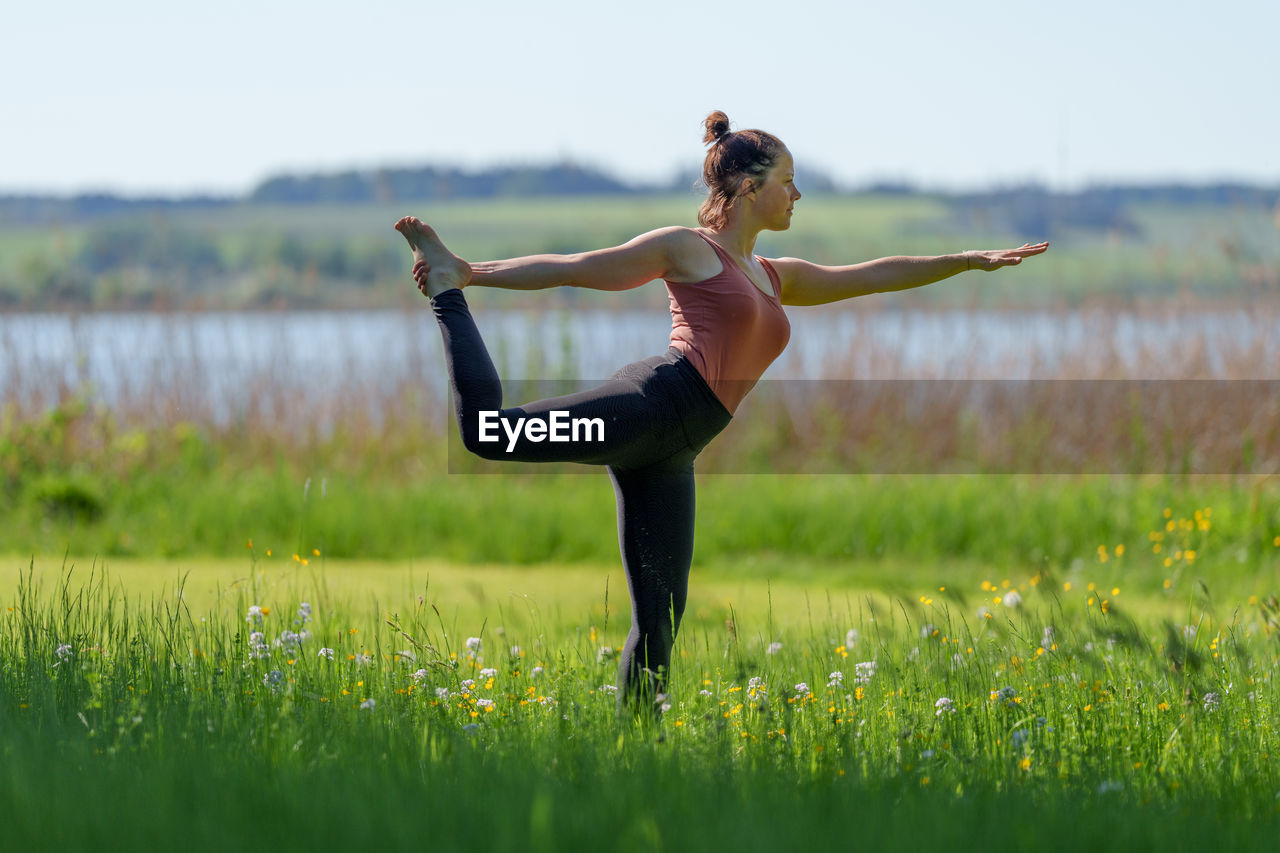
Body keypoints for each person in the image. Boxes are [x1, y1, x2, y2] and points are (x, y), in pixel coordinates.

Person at [394, 111, 1047, 713]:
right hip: (650, 408)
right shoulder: (689, 249)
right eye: (788, 181)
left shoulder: (773, 274)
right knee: (490, 433)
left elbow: (873, 274)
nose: (798, 195)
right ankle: (447, 293)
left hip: (675, 452)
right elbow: (578, 267)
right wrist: (472, 273)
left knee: (661, 617)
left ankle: (635, 754)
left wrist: (966, 261)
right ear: (746, 184)